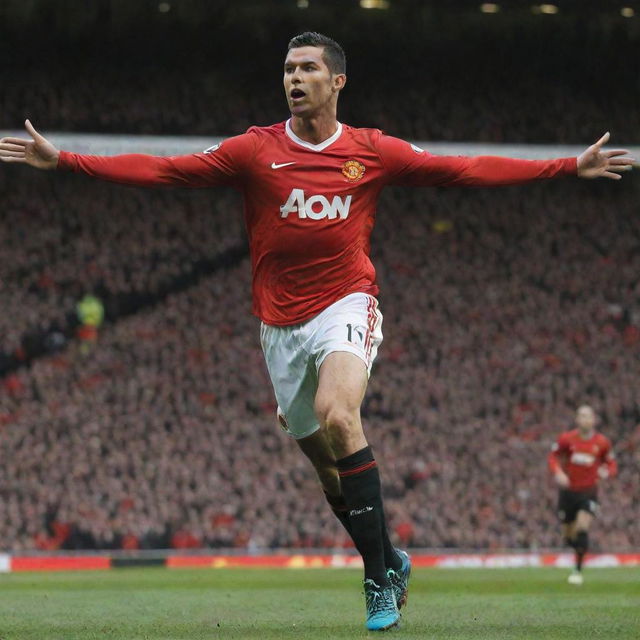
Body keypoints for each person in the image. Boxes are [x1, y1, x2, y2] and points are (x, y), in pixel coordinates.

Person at [0, 31, 634, 631]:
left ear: (337, 81)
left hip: (346, 303)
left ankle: (377, 575)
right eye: (287, 69)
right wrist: (68, 161)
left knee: (339, 416)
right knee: (329, 471)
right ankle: (388, 551)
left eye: (307, 69)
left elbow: (461, 170)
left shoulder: (370, 150)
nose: (294, 78)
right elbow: (166, 171)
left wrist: (562, 167)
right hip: (279, 325)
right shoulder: (254, 149)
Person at [548, 405, 618, 585]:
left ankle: (577, 570)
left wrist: (606, 472)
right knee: (568, 534)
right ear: (577, 420)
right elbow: (553, 457)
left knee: (582, 526)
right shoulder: (566, 439)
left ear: (594, 420)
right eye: (581, 416)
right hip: (568, 493)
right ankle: (577, 548)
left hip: (588, 493)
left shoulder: (602, 443)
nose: (585, 419)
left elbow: (612, 464)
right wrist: (558, 473)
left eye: (588, 416)